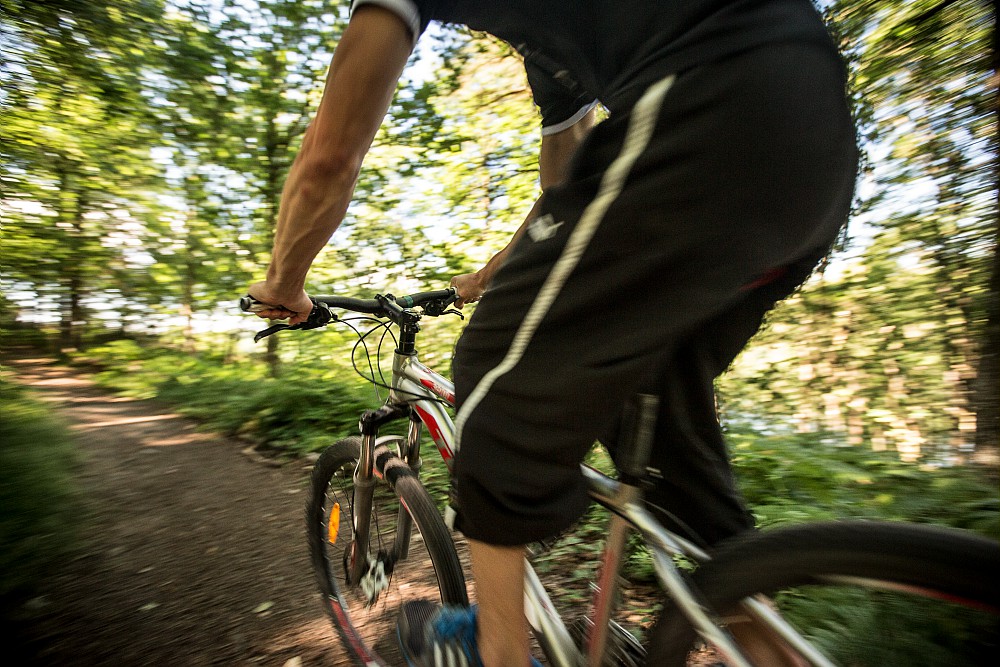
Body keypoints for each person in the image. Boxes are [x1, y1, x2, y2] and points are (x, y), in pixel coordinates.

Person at [247, 1, 858, 665]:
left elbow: (330, 157)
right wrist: (481, 278)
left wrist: (284, 283)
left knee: (487, 363)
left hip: (704, 101)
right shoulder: (562, 47)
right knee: (644, 398)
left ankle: (496, 646)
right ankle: (764, 637)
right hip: (813, 138)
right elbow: (568, 183)